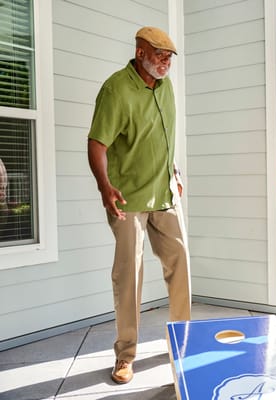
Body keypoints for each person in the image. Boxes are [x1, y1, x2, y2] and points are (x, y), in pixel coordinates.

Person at [87, 26, 191, 384]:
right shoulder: (116, 89)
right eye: (160, 55)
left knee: (180, 265)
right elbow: (97, 143)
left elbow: (161, 138)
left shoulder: (166, 89)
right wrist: (105, 186)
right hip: (128, 199)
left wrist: (173, 169)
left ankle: (183, 341)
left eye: (169, 57)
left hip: (164, 195)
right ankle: (126, 355)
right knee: (129, 276)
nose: (166, 63)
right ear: (140, 51)